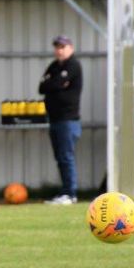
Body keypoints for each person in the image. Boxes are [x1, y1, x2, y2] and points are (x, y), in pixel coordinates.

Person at [39, 35, 82, 205]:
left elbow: (55, 85)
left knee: (66, 156)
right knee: (60, 156)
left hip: (68, 120)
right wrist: (56, 84)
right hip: (54, 119)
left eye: (63, 47)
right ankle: (65, 191)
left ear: (70, 48)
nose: (59, 50)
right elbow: (42, 87)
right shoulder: (54, 66)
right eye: (57, 47)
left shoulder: (73, 65)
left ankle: (70, 193)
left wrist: (55, 84)